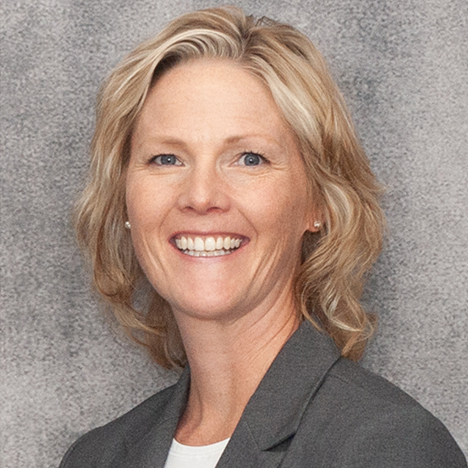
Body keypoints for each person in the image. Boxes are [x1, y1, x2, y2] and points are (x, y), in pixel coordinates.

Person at [59, 6, 467, 468]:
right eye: (166, 159)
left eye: (249, 158)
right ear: (125, 200)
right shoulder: (96, 457)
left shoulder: (390, 448)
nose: (200, 195)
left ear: (319, 202)